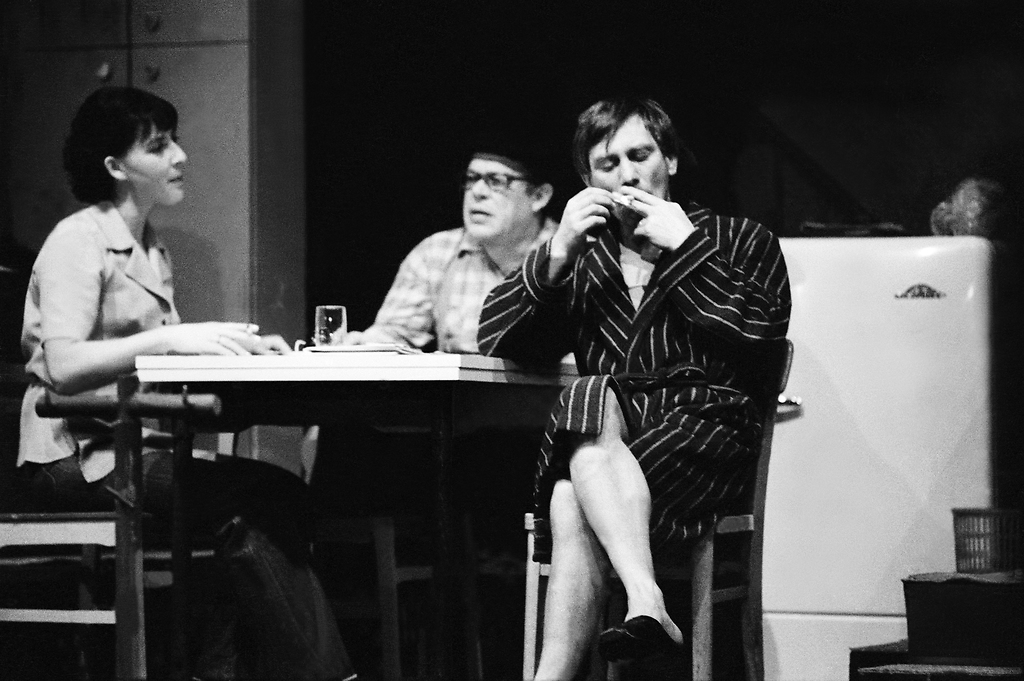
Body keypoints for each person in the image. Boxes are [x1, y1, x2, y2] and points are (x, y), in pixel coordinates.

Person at [17, 86, 356, 680]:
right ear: (116, 167)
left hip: (137, 447)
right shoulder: (78, 239)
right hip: (73, 458)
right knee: (251, 499)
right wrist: (172, 339)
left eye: (175, 140)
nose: (180, 156)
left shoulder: (151, 247)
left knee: (279, 495)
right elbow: (64, 366)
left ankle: (221, 673)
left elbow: (162, 363)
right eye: (158, 146)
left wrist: (242, 354)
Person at [478, 97, 791, 679]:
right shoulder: (584, 257)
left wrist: (687, 248)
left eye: (640, 155)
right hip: (609, 441)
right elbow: (496, 336)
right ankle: (646, 601)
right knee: (587, 413)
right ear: (587, 181)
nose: (627, 174)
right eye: (607, 163)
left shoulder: (737, 238)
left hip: (706, 435)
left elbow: (762, 331)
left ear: (669, 160)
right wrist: (557, 251)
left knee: (571, 493)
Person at [342, 131, 558, 353]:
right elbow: (395, 335)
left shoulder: (572, 254)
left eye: (496, 181)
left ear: (539, 196)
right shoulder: (436, 252)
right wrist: (364, 344)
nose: (477, 192)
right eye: (471, 178)